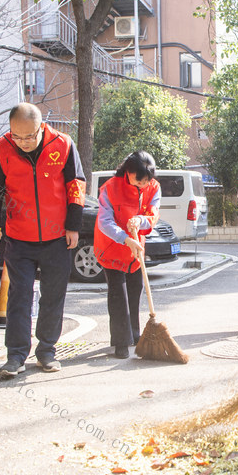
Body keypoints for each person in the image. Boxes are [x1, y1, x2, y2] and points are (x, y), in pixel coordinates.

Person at [0, 103, 85, 378]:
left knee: (53, 296)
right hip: (19, 238)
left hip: (56, 237)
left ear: (41, 127)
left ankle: (47, 351)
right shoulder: (2, 148)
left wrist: (73, 225)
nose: (23, 142)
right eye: (17, 136)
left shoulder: (63, 144)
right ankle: (15, 355)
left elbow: (76, 186)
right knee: (19, 296)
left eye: (29, 136)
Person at [94, 151, 161, 359]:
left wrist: (140, 220)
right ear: (128, 172)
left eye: (146, 181)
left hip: (136, 250)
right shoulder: (110, 188)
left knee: (135, 290)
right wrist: (125, 238)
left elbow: (153, 213)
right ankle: (121, 342)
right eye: (138, 180)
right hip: (112, 247)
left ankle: (134, 334)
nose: (143, 185)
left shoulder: (153, 186)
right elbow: (105, 222)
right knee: (118, 295)